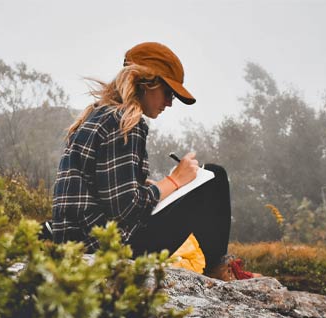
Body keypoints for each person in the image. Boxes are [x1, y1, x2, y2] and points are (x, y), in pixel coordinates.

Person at [52, 42, 258, 281]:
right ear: (145, 82)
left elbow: (107, 194)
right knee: (214, 177)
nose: (170, 103)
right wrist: (175, 180)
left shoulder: (97, 115)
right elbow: (126, 207)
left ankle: (217, 267)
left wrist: (157, 187)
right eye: (168, 92)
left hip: (79, 243)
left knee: (198, 181)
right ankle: (217, 269)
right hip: (107, 248)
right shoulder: (126, 121)